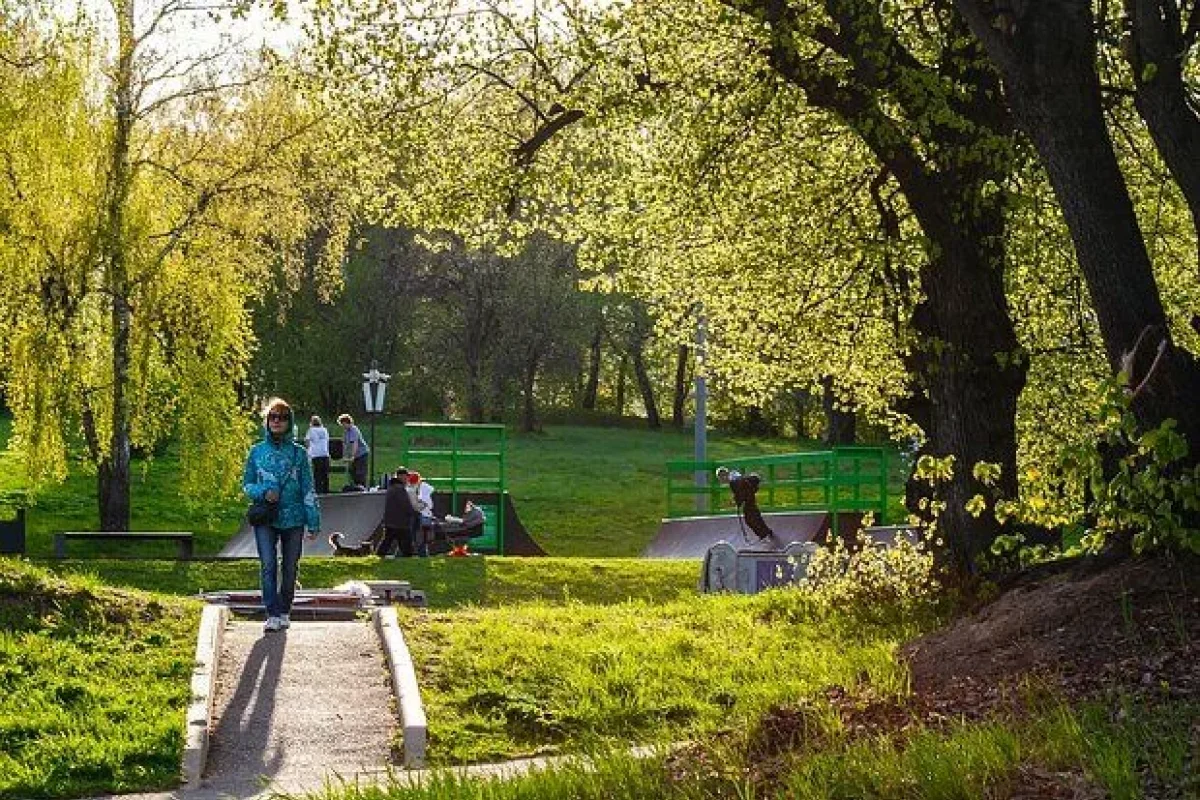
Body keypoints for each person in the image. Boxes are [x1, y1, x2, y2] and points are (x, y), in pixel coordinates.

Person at [243, 398, 321, 633]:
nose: (277, 421)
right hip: (266, 517)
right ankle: (272, 613)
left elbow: (308, 488)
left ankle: (285, 609)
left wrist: (313, 521)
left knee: (290, 567)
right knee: (268, 564)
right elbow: (247, 484)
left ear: (290, 422)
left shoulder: (299, 454)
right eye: (272, 417)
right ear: (266, 421)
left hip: (294, 517)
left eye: (282, 417)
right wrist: (263, 492)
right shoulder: (256, 451)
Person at [376, 468, 417, 557]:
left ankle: (378, 556)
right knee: (406, 544)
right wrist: (412, 513)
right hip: (400, 522)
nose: (407, 479)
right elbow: (405, 504)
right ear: (400, 476)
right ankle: (409, 559)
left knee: (387, 541)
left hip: (391, 521)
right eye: (406, 477)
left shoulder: (392, 487)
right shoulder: (400, 489)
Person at [337, 413, 370, 487]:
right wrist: (345, 456)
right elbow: (345, 445)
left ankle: (362, 488)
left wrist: (352, 456)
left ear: (347, 422)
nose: (342, 426)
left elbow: (355, 444)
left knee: (360, 473)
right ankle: (355, 487)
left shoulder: (354, 430)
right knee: (352, 473)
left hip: (361, 454)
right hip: (354, 454)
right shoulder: (345, 431)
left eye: (343, 424)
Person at [407, 471, 435, 556]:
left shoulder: (411, 489)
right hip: (420, 516)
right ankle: (422, 554)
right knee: (419, 537)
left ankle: (418, 553)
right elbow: (417, 506)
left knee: (415, 536)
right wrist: (424, 504)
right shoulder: (414, 490)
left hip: (417, 517)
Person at [305, 415, 331, 494]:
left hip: (316, 454)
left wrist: (308, 451)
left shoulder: (311, 430)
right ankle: (326, 490)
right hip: (325, 453)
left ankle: (318, 491)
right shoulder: (325, 430)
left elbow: (307, 442)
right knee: (325, 474)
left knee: (317, 474)